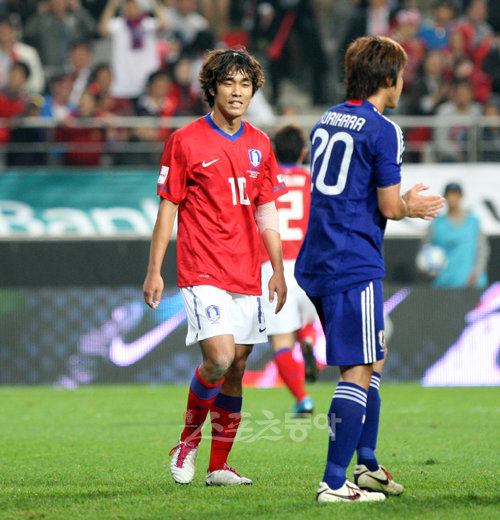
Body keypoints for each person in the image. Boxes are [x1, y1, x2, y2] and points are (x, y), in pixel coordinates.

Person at [294, 35, 444, 503]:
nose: (403, 82)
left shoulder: (326, 118)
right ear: (387, 78)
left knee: (371, 358)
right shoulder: (383, 129)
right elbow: (388, 206)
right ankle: (334, 482)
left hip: (317, 255)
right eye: (400, 74)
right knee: (357, 369)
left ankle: (368, 465)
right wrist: (411, 206)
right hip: (351, 260)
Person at [143, 48, 288, 486]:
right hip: (202, 268)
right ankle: (187, 442)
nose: (238, 91)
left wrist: (277, 268)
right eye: (229, 83)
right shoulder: (185, 141)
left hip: (248, 270)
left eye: (246, 84)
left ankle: (219, 466)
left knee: (238, 366)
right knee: (219, 358)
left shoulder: (261, 144)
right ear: (212, 89)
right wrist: (154, 269)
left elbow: (266, 211)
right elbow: (168, 209)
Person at [260, 124, 318, 415]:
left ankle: (302, 399)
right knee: (304, 315)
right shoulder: (311, 180)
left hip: (274, 268)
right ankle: (307, 339)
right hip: (308, 266)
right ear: (304, 153)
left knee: (281, 340)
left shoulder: (264, 180)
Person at [423, 182, 489, 288]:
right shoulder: (436, 224)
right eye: (450, 195)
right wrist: (429, 271)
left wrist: (476, 273)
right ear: (445, 197)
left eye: (456, 194)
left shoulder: (473, 222)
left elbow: (482, 250)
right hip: (443, 283)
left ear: (461, 197)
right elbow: (425, 250)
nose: (453, 198)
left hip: (470, 284)